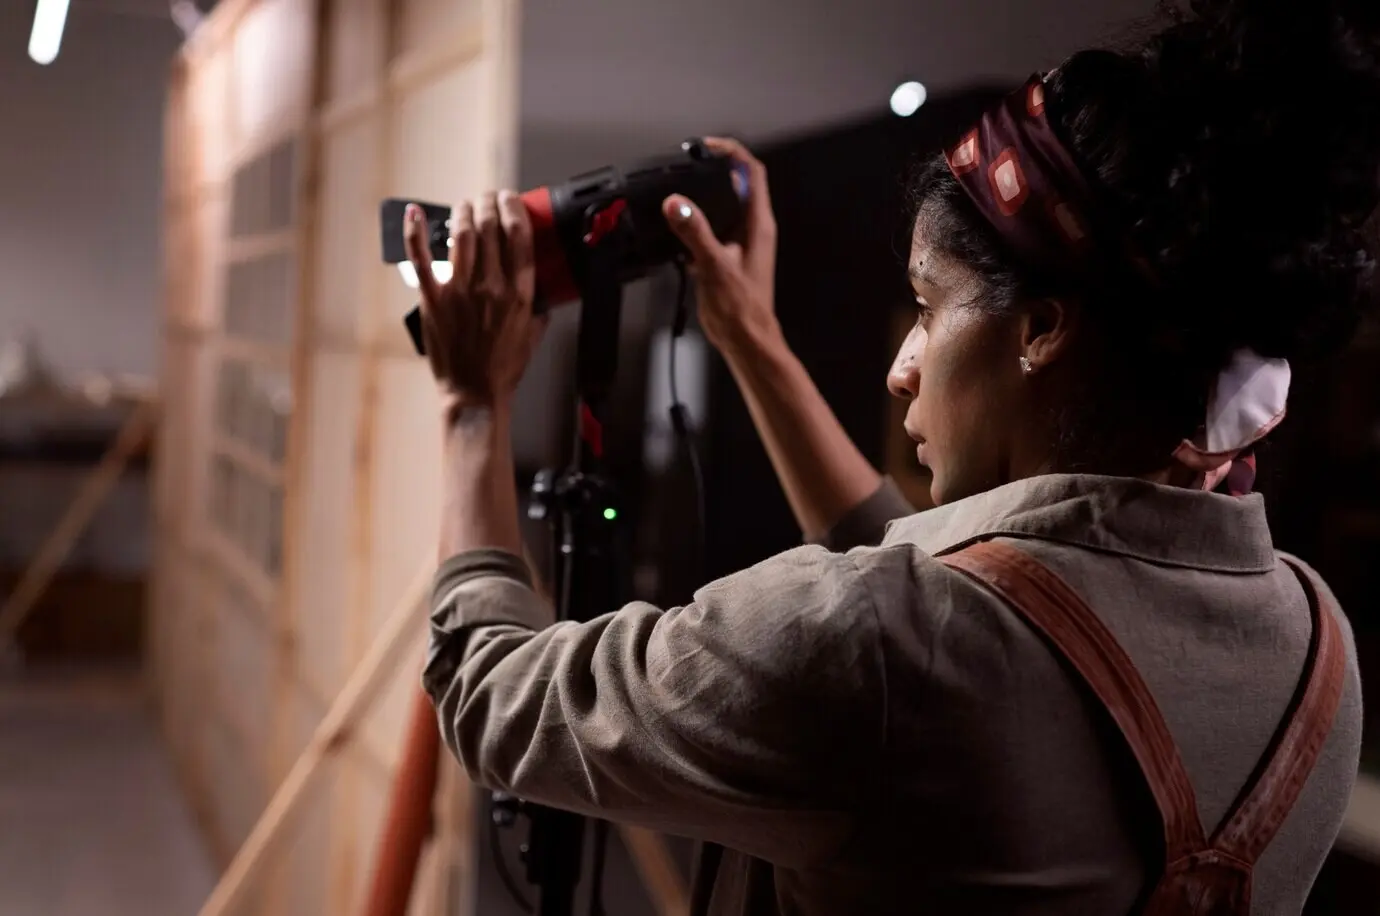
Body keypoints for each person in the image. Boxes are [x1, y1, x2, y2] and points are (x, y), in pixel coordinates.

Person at [407, 1, 1374, 912]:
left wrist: (471, 408)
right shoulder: (1314, 645)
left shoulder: (881, 650)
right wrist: (751, 338)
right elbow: (998, 606)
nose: (901, 370)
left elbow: (493, 691)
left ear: (1039, 327)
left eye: (927, 305)